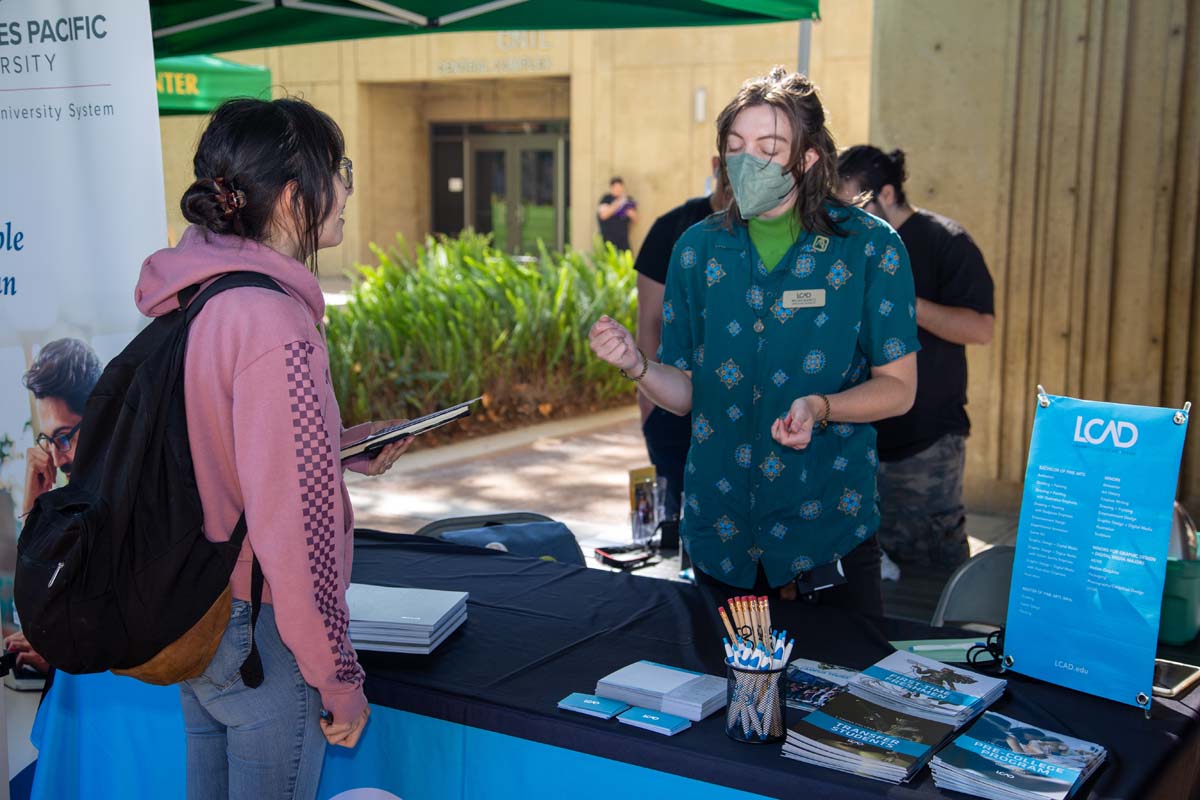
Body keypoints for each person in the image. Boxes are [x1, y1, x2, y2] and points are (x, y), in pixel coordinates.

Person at [133, 98, 411, 799]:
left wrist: (335, 450)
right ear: (293, 198)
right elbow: (296, 532)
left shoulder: (198, 294)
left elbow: (219, 448)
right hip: (261, 638)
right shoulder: (274, 322)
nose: (346, 188)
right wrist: (338, 676)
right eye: (338, 171)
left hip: (198, 612)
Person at [590, 67, 920, 616]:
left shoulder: (868, 248)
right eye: (736, 146)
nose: (749, 161)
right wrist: (637, 364)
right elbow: (688, 392)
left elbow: (899, 388)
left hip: (826, 529)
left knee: (836, 694)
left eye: (770, 146)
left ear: (808, 157)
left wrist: (822, 407)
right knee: (724, 697)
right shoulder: (696, 250)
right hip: (720, 537)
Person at [836, 146, 995, 569]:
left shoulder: (946, 240)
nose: (848, 216)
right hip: (860, 440)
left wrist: (903, 301)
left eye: (856, 203)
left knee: (929, 573)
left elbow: (981, 328)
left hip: (926, 444)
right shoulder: (852, 243)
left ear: (886, 194)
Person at [634, 158, 730, 520]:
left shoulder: (767, 233)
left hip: (739, 409)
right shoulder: (672, 229)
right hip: (674, 401)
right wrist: (648, 405)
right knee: (678, 521)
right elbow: (650, 321)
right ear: (716, 165)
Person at [4, 338, 102, 674]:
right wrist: (33, 506)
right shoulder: (75, 506)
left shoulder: (117, 502)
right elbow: (35, 610)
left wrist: (61, 655)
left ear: (98, 418)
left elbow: (133, 628)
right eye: (48, 440)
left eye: (64, 436)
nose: (58, 459)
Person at [597, 176, 637, 250]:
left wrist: (628, 211)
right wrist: (618, 204)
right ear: (611, 188)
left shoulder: (628, 200)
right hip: (608, 239)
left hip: (623, 239)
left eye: (620, 187)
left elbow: (635, 219)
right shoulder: (606, 199)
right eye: (616, 187)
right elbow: (603, 215)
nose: (618, 190)